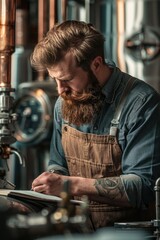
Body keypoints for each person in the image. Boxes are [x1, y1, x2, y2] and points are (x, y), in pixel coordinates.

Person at [31, 20, 160, 230]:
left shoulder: (141, 103)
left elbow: (143, 187)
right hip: (76, 230)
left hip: (128, 233)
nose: (60, 90)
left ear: (96, 64)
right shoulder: (64, 102)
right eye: (54, 79)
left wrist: (68, 184)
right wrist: (51, 179)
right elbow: (58, 163)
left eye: (67, 79)